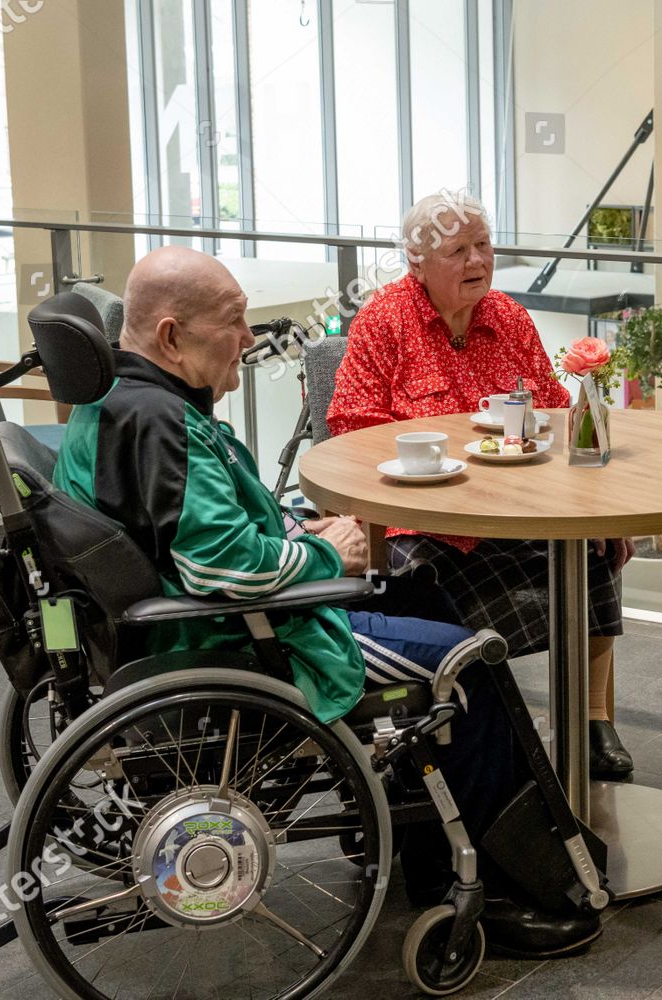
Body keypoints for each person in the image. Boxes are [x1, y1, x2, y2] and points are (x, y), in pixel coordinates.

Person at [51, 245, 601, 957]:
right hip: (247, 640)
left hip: (207, 627)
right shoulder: (163, 423)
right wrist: (325, 552)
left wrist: (289, 530)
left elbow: (190, 536)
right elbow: (222, 566)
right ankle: (501, 885)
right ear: (169, 336)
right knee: (469, 664)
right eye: (235, 323)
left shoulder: (112, 405)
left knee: (429, 604)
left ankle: (431, 848)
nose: (249, 342)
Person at [327, 189, 637, 780]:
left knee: (593, 553)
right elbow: (351, 430)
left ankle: (593, 721)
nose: (477, 262)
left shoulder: (509, 318)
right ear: (416, 263)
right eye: (458, 250)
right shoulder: (383, 321)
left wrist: (599, 512)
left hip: (510, 511)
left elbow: (551, 415)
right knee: (415, 575)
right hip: (419, 518)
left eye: (484, 246)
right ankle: (466, 727)